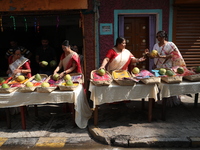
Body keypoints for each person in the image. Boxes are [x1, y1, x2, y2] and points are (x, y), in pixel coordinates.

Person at [145, 30, 186, 106]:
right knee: (159, 85)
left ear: (164, 37)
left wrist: (161, 57)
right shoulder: (156, 46)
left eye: (159, 36)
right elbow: (153, 56)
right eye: (157, 36)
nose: (157, 38)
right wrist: (148, 54)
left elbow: (173, 55)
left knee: (168, 85)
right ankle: (161, 101)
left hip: (168, 67)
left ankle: (172, 102)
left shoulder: (170, 44)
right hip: (158, 68)